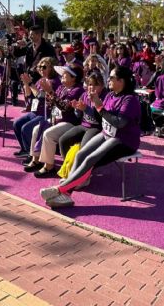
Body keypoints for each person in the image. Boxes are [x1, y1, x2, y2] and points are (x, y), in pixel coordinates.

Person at [39, 66, 142, 208]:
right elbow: (101, 120)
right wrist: (91, 107)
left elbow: (120, 123)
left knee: (90, 159)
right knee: (81, 154)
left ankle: (62, 191)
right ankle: (68, 189)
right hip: (107, 134)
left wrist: (99, 107)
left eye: (112, 77)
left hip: (123, 140)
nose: (109, 80)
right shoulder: (110, 95)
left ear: (121, 81)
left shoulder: (130, 100)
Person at [23, 63, 85, 177]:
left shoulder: (78, 90)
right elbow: (53, 104)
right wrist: (49, 96)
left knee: (48, 134)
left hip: (70, 122)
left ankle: (49, 166)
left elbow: (65, 107)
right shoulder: (62, 87)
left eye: (65, 74)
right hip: (56, 119)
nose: (62, 76)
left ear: (73, 77)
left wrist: (51, 92)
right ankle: (35, 159)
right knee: (37, 129)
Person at [13, 57, 61, 156]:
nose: (40, 69)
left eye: (44, 67)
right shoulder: (41, 80)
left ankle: (32, 153)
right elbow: (28, 95)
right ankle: (25, 149)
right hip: (35, 111)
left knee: (26, 129)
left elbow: (41, 96)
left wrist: (30, 84)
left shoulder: (54, 81)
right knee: (17, 123)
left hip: (46, 113)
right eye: (39, 66)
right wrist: (26, 83)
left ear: (52, 68)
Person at [57, 72, 108, 161]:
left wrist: (86, 109)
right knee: (63, 140)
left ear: (102, 86)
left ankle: (83, 171)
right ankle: (69, 166)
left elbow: (102, 118)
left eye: (96, 85)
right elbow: (78, 116)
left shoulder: (105, 97)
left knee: (83, 148)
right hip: (84, 125)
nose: (92, 87)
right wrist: (77, 108)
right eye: (90, 84)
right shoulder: (84, 95)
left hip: (97, 128)